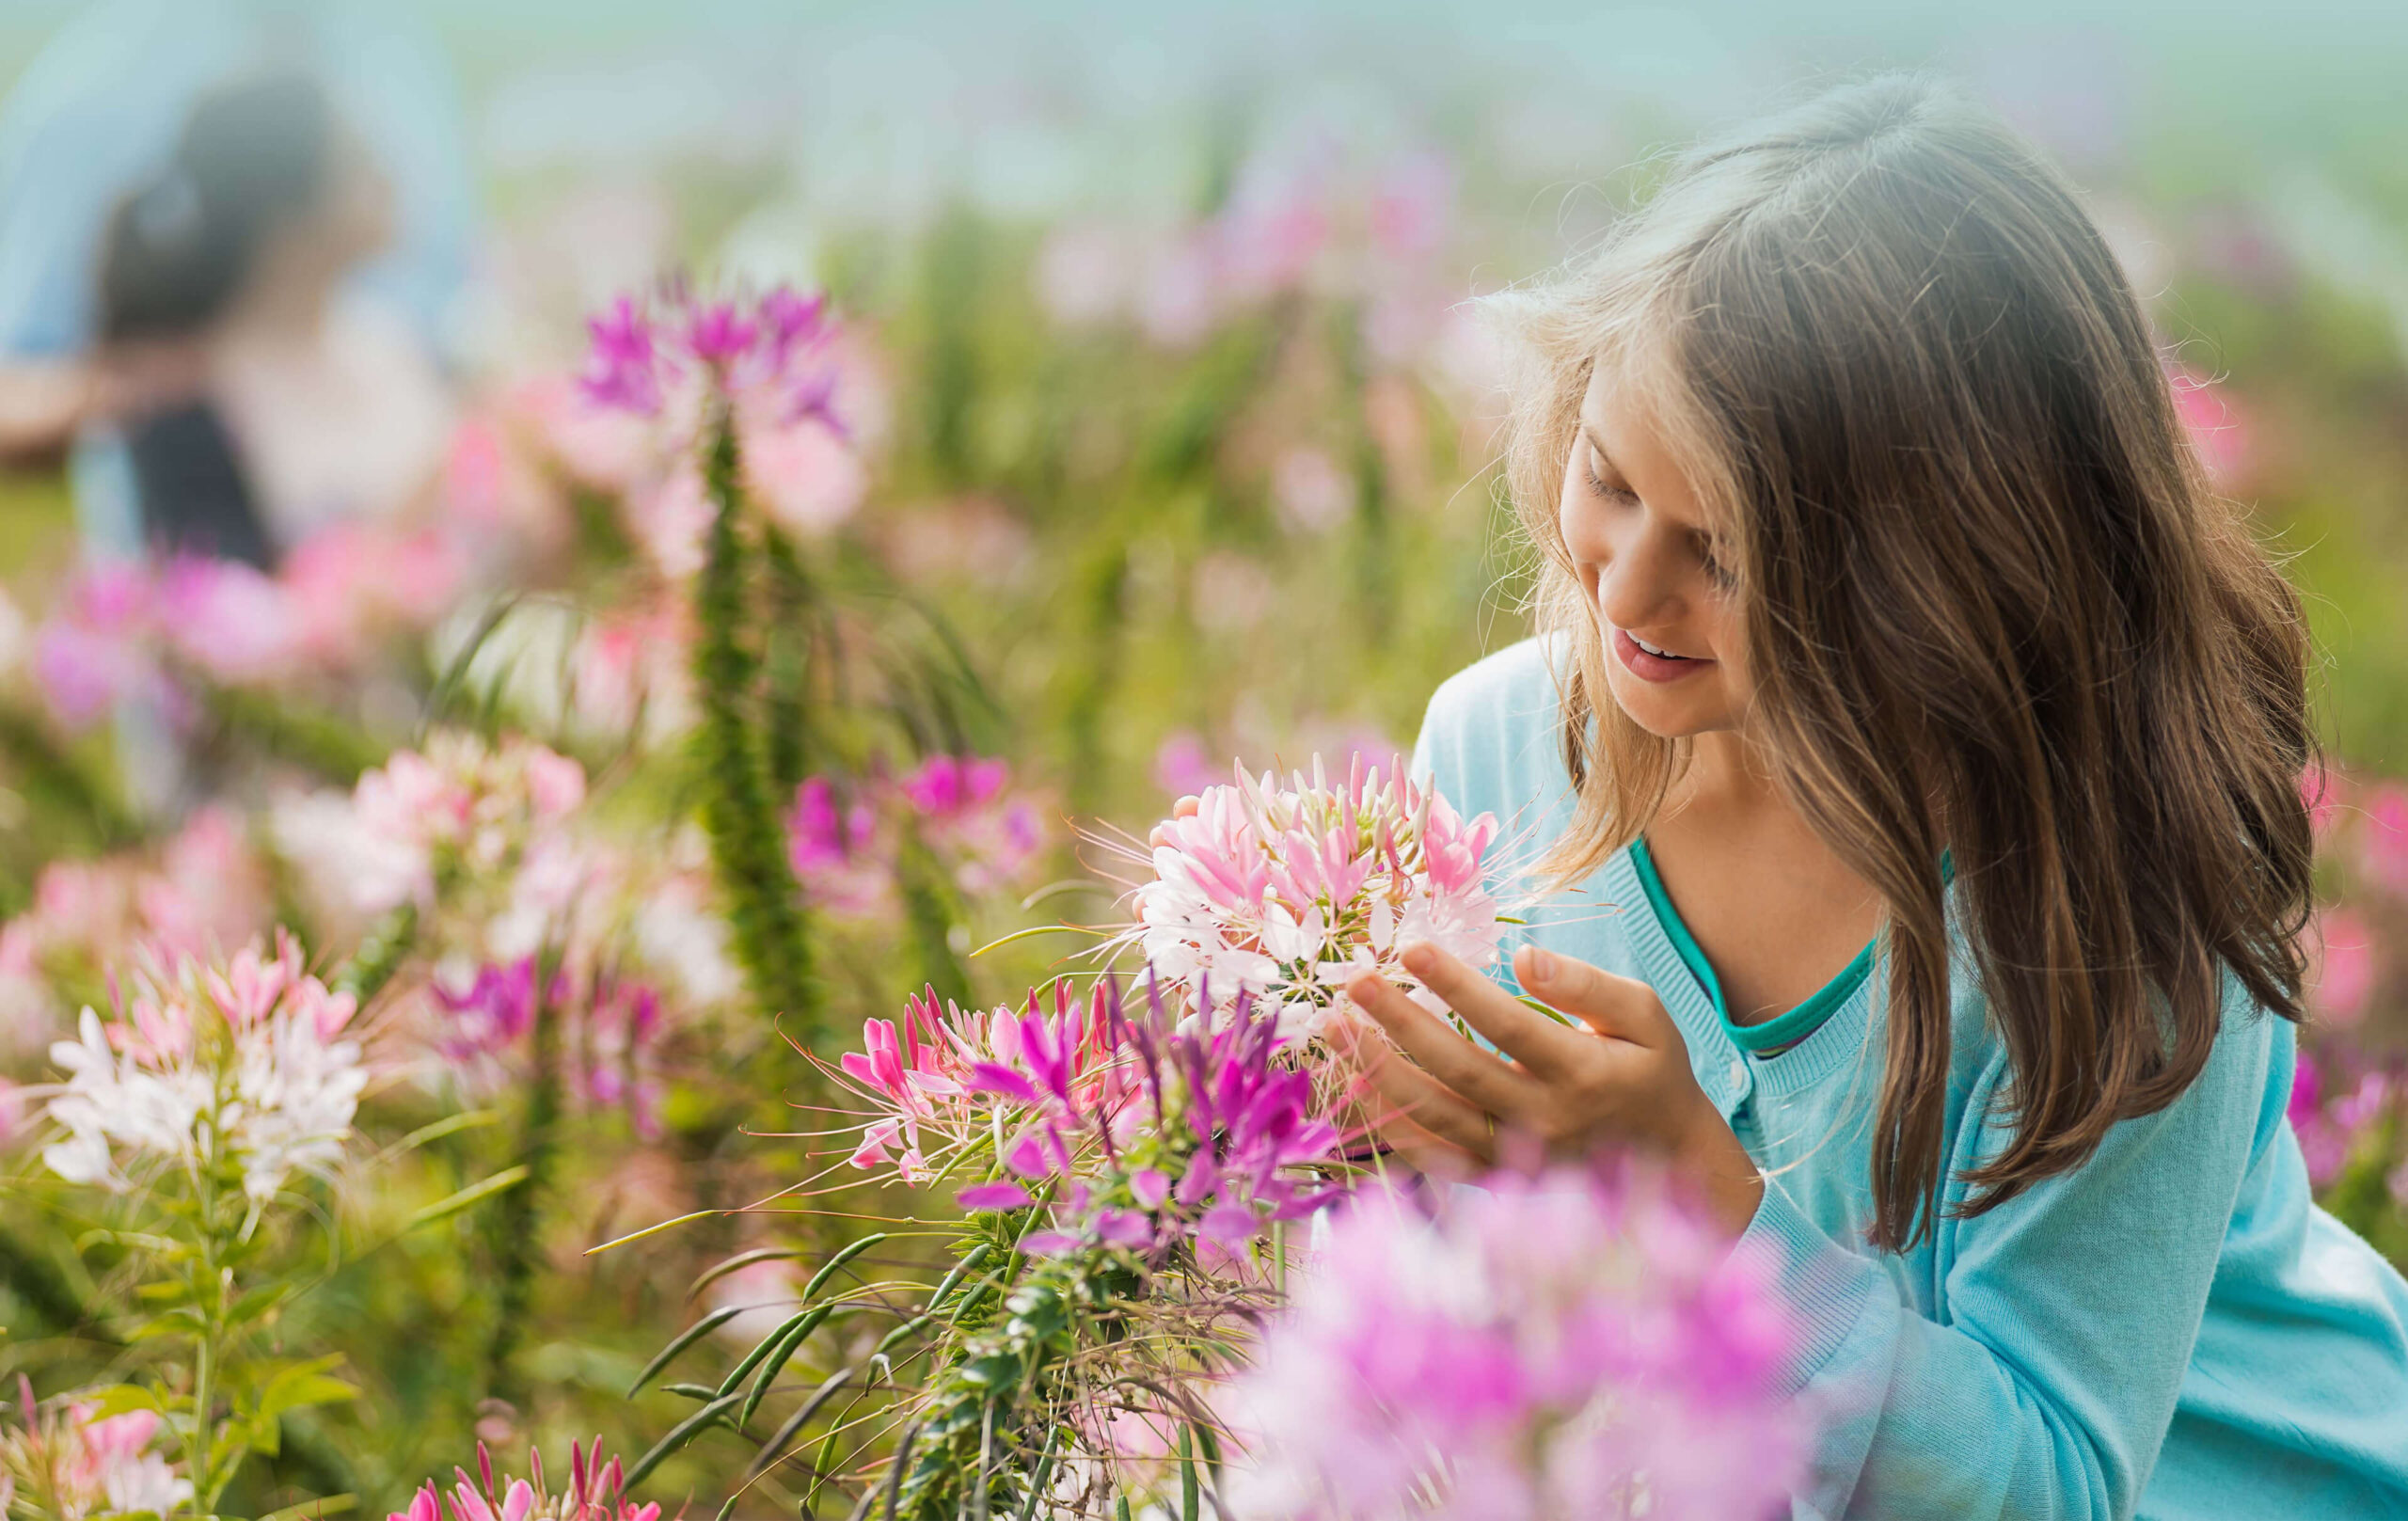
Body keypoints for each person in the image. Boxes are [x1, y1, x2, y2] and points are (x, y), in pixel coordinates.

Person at [1339, 76, 2408, 1518]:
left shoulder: (2114, 914)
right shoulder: (1500, 748)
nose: (1628, 588)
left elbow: (2055, 1486)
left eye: (1726, 551)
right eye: (1610, 479)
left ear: (1938, 584)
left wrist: (1698, 1198)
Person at [85, 71, 452, 567]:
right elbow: (218, 607)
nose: (389, 178)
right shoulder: (185, 394)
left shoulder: (394, 338)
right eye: (360, 163)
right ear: (287, 209)